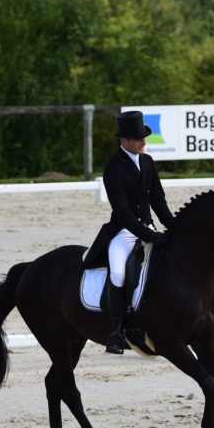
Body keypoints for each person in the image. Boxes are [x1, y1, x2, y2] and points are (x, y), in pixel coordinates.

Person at [83, 110, 174, 354]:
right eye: (137, 138)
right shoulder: (113, 168)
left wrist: (174, 227)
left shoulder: (147, 162)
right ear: (124, 141)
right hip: (124, 232)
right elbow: (122, 213)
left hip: (148, 226)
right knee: (119, 274)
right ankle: (116, 332)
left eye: (143, 137)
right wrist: (150, 235)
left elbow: (158, 200)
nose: (143, 142)